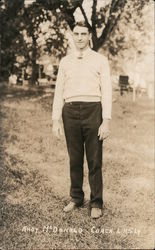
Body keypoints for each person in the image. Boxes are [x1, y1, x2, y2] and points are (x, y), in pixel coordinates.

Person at [52, 21, 112, 219]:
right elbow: (59, 91)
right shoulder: (65, 62)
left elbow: (107, 91)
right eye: (76, 33)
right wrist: (55, 119)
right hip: (69, 112)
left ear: (89, 36)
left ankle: (96, 202)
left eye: (83, 34)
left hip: (93, 109)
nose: (79, 37)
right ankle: (76, 197)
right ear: (72, 35)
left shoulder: (100, 60)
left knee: (94, 159)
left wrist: (106, 120)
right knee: (75, 158)